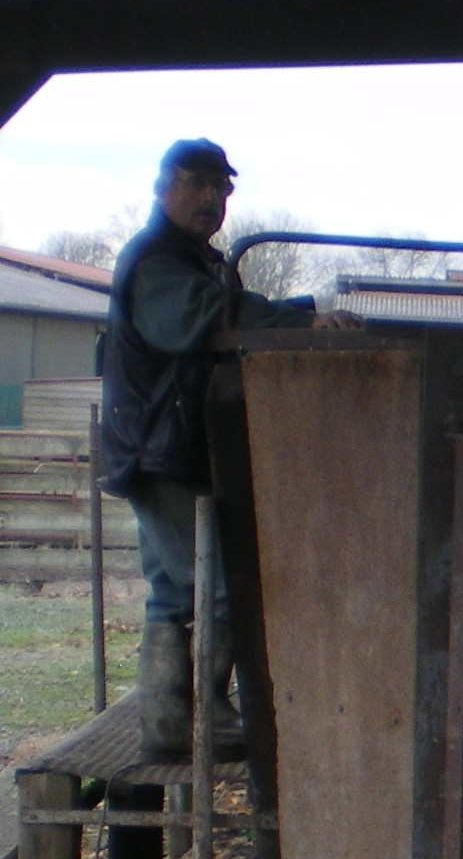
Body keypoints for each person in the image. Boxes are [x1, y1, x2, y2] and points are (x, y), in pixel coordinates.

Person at [98, 138, 358, 759]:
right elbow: (195, 319)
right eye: (196, 184)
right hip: (161, 447)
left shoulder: (191, 258)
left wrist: (292, 314)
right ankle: (205, 721)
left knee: (172, 588)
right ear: (164, 188)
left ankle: (167, 726)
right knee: (211, 587)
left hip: (166, 444)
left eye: (221, 188)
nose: (210, 199)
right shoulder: (157, 261)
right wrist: (300, 321)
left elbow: (217, 307)